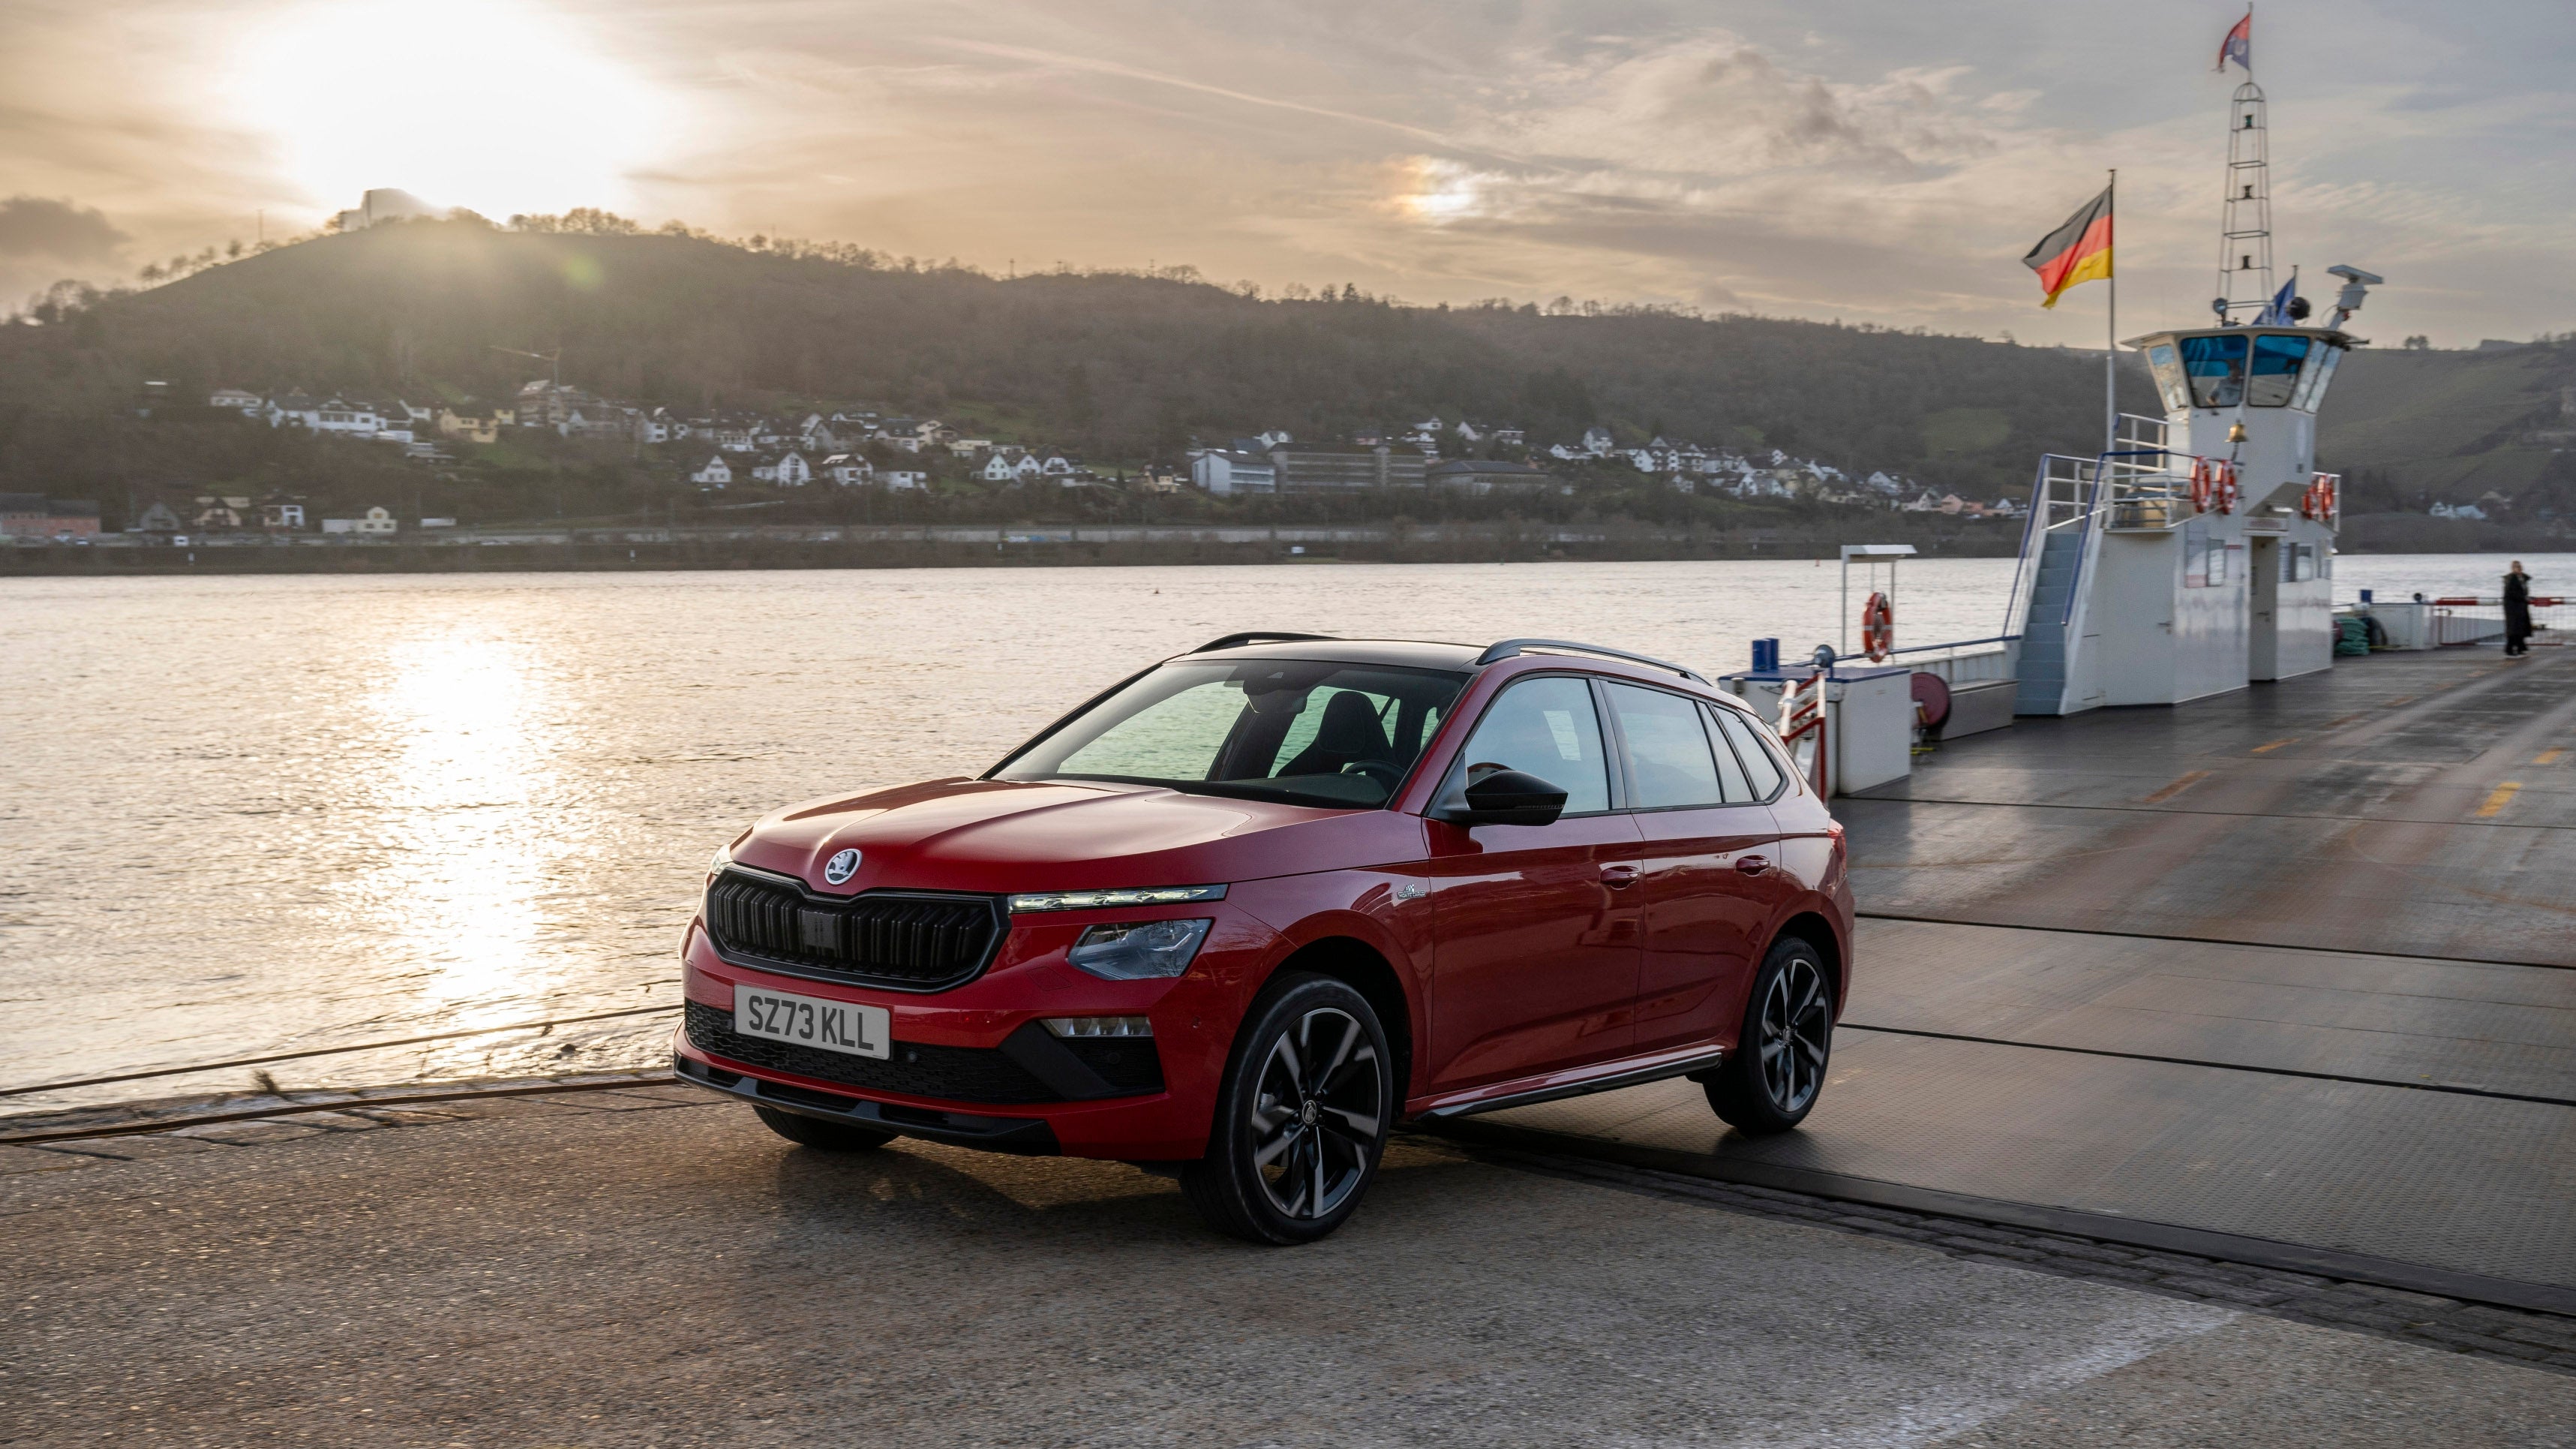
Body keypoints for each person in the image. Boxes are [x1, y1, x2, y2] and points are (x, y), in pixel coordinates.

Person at [2502, 561, 2533, 657]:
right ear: (2513, 568)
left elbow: (2523, 592)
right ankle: (2510, 649)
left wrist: (2527, 598)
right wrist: (2524, 598)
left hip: (2521, 606)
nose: (2519, 569)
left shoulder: (2522, 579)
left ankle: (2520, 647)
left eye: (2520, 567)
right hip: (2513, 607)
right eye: (2516, 567)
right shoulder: (2511, 579)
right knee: (2514, 628)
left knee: (2521, 628)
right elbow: (2511, 594)